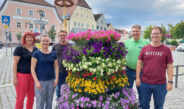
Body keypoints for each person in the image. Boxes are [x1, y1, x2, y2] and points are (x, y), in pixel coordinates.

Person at [136, 27, 173, 109]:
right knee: (144, 106)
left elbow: (170, 66)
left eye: (157, 33)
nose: (155, 35)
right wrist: (137, 78)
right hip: (145, 83)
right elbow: (139, 62)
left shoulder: (166, 50)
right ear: (150, 35)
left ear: (161, 35)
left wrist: (170, 82)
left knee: (159, 107)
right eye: (153, 33)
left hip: (160, 84)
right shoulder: (145, 48)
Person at [31, 35, 59, 109]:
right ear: (40, 42)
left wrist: (56, 79)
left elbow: (56, 67)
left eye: (47, 41)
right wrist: (36, 82)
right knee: (40, 102)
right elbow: (32, 68)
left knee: (49, 102)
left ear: (49, 42)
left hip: (51, 81)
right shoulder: (36, 54)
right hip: (40, 82)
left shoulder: (53, 54)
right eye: (43, 41)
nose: (45, 42)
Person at [13, 32, 37, 109]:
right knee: (20, 98)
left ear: (33, 39)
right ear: (24, 39)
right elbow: (14, 63)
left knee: (31, 97)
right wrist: (14, 77)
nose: (29, 39)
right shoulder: (19, 49)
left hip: (33, 76)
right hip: (21, 75)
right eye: (27, 37)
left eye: (31, 37)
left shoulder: (35, 49)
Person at [52, 30, 70, 100]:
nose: (63, 36)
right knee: (59, 88)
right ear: (59, 36)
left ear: (67, 36)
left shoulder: (70, 46)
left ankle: (66, 101)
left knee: (68, 87)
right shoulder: (55, 46)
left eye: (64, 35)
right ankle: (59, 102)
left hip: (69, 71)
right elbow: (51, 57)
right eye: (61, 35)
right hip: (58, 71)